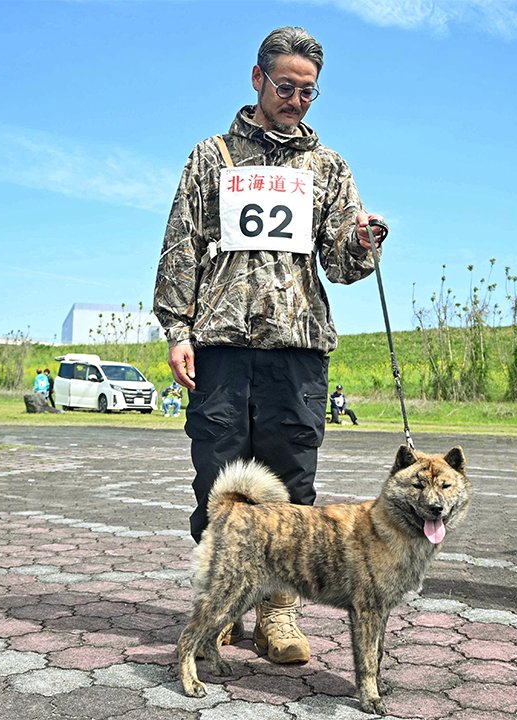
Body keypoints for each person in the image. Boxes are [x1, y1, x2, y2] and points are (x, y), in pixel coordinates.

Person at [153, 26, 387, 665]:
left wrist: (364, 242)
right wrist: (177, 330)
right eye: (286, 87)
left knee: (293, 486)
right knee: (219, 482)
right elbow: (181, 244)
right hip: (221, 343)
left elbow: (341, 264)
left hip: (298, 347)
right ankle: (219, 609)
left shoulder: (329, 167)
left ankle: (277, 617)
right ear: (256, 79)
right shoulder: (213, 156)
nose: (297, 99)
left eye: (308, 91)